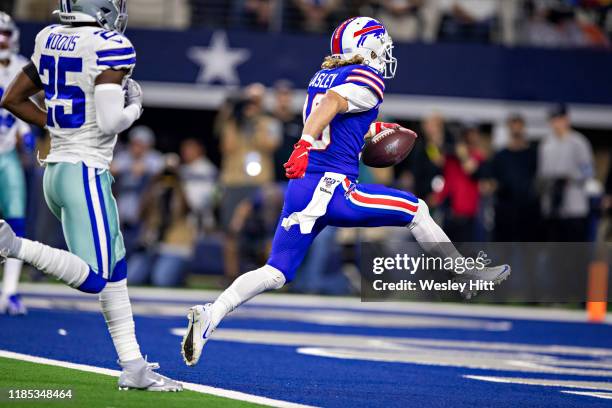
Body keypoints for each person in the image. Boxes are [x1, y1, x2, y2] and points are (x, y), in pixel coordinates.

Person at [180, 17, 510, 367]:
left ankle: (211, 314)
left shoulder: (323, 75)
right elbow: (334, 103)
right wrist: (304, 143)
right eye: (381, 45)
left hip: (303, 188)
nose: (385, 52)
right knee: (416, 210)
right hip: (333, 188)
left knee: (276, 272)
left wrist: (372, 129)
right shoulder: (367, 77)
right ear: (365, 48)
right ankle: (462, 273)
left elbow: (340, 118)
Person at [0, 0, 181, 391]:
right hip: (83, 172)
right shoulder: (110, 44)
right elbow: (114, 120)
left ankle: (133, 365)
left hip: (60, 170)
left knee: (115, 271)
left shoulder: (49, 37)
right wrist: (135, 107)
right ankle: (14, 247)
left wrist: (58, 127)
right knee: (96, 277)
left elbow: (12, 99)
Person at [0, 12, 31, 315]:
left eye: (5, 33)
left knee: (17, 223)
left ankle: (9, 291)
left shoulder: (22, 65)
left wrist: (25, 130)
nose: (2, 40)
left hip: (7, 154)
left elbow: (23, 107)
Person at [537, 104, 594, 242]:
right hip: (552, 207)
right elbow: (541, 173)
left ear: (566, 119)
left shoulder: (578, 142)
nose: (556, 123)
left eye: (559, 118)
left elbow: (589, 171)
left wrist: (571, 177)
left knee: (574, 252)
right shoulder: (546, 144)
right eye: (553, 119)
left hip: (574, 206)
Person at [490, 114, 540, 242]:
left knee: (527, 251)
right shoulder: (500, 156)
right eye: (513, 127)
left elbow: (539, 179)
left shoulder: (533, 155)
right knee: (503, 250)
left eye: (519, 127)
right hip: (505, 210)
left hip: (527, 211)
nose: (516, 131)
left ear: (523, 129)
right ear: (509, 129)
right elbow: (492, 181)